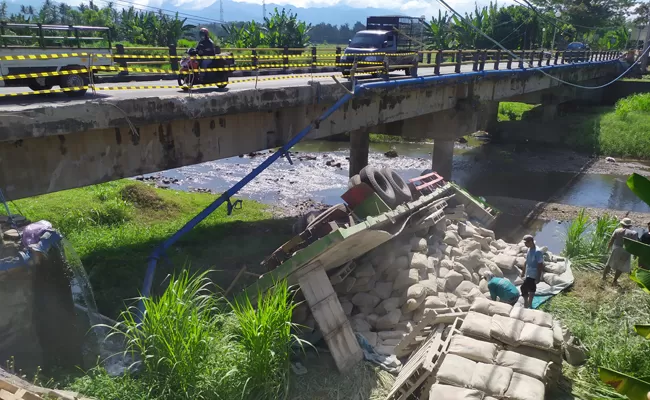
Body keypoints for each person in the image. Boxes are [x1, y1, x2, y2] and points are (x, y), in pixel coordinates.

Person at [603, 218, 638, 285]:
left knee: (609, 263)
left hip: (616, 249)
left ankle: (604, 277)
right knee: (621, 266)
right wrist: (635, 255)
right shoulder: (634, 233)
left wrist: (608, 248)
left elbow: (611, 240)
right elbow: (635, 244)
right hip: (626, 250)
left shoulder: (617, 230)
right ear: (630, 225)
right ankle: (614, 280)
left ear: (622, 224)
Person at [520, 234, 543, 309]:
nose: (525, 244)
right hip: (528, 272)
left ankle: (527, 303)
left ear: (531, 242)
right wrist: (523, 271)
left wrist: (538, 277)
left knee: (523, 288)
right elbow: (526, 261)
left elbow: (540, 265)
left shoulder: (538, 252)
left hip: (534, 273)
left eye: (526, 243)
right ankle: (528, 303)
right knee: (531, 288)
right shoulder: (529, 249)